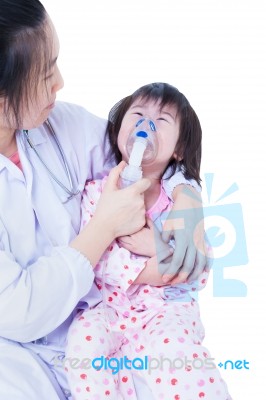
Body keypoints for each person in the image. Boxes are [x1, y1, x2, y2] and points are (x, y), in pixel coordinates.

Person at [0, 1, 208, 399]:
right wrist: (104, 227)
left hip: (118, 326)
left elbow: (145, 158)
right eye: (45, 74)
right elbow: (21, 309)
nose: (60, 82)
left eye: (56, 63)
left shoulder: (63, 125)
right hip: (20, 361)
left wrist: (188, 194)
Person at [65, 83, 231, 400]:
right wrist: (158, 266)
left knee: (180, 357)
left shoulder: (179, 202)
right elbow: (98, 258)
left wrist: (156, 246)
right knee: (83, 344)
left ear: (178, 150)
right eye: (138, 114)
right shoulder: (97, 192)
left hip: (165, 310)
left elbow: (199, 260)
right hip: (108, 306)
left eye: (162, 121)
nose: (146, 126)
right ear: (118, 130)